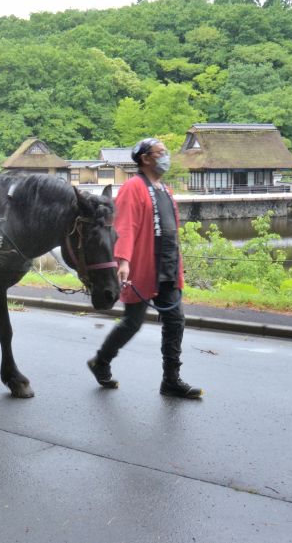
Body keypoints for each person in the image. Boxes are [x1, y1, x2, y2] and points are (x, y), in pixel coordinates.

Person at [87, 137, 202, 398]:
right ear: (145, 158)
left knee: (176, 321)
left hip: (168, 266)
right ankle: (101, 361)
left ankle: (171, 379)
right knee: (133, 322)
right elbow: (125, 226)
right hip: (143, 266)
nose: (166, 157)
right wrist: (123, 261)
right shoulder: (133, 187)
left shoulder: (165, 189)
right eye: (160, 153)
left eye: (165, 152)